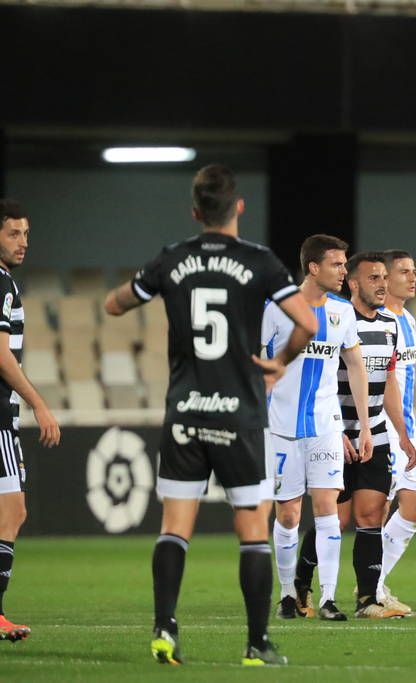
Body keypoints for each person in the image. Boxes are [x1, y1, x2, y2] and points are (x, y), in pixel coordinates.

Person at [104, 165, 316, 665]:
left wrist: (151, 285)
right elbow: (306, 322)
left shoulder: (172, 259)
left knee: (174, 525)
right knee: (251, 527)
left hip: (185, 410)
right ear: (238, 207)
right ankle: (257, 644)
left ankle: (165, 629)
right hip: (238, 413)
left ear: (195, 212)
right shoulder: (260, 262)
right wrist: (278, 363)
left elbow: (115, 306)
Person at [293, 252, 416, 619]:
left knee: (372, 512)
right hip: (334, 433)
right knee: (337, 517)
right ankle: (301, 583)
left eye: (384, 277)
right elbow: (325, 380)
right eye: (373, 278)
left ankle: (367, 599)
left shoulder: (390, 325)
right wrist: (337, 428)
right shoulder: (340, 323)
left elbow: (389, 381)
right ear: (354, 284)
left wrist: (403, 434)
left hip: (373, 433)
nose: (382, 284)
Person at [263, 235, 372, 622]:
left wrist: (363, 427)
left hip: (325, 426)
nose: (344, 271)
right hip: (281, 429)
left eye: (344, 264)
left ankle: (327, 598)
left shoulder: (342, 312)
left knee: (327, 510)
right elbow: (259, 365)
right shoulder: (276, 308)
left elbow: (355, 366)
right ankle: (288, 593)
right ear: (313, 267)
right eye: (337, 265)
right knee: (289, 515)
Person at [0, 199, 61, 643]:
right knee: (13, 511)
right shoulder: (1, 283)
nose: (23, 242)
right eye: (13, 234)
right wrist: (38, 403)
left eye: (25, 233)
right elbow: (0, 356)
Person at [375, 249, 416, 613]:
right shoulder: (375, 320)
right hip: (380, 426)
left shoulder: (408, 320)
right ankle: (371, 590)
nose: (412, 277)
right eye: (403, 272)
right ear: (384, 278)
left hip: (406, 428)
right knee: (376, 508)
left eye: (414, 271)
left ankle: (375, 584)